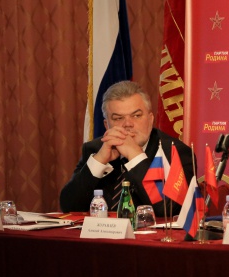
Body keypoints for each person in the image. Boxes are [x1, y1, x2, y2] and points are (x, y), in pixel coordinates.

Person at [60, 81, 196, 217]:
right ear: (107, 125)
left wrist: (135, 156)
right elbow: (69, 207)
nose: (128, 124)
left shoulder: (175, 152)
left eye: (136, 116)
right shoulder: (95, 149)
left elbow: (168, 211)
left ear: (150, 120)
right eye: (118, 118)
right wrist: (99, 161)